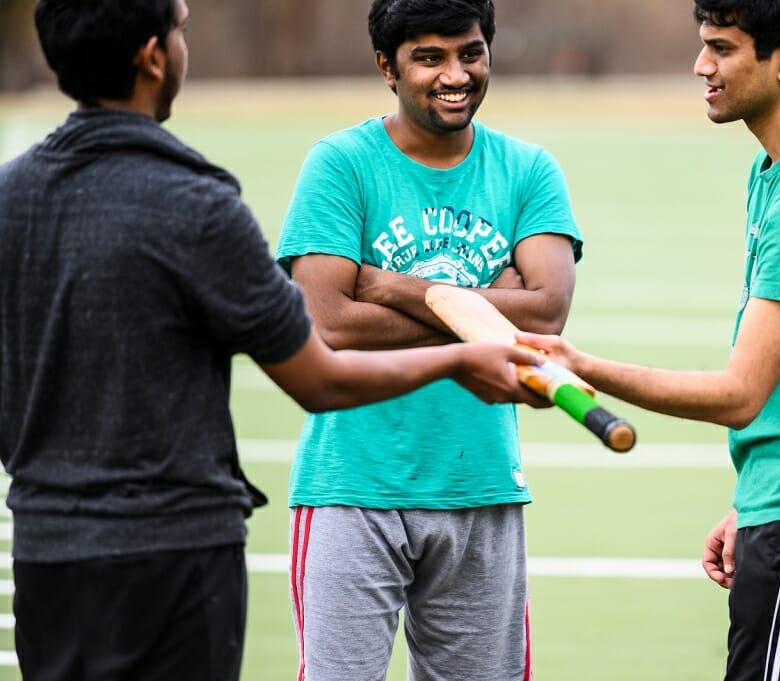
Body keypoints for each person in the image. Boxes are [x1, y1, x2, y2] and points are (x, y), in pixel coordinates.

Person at [0, 2, 548, 680]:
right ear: (153, 57)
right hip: (182, 548)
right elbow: (319, 367)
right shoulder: (197, 203)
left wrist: (385, 288)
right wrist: (465, 347)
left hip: (47, 544)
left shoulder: (9, 193)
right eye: (182, 30)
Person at [518, 1, 780, 679]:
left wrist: (580, 364)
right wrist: (754, 495)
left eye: (723, 48)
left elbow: (738, 393)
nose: (702, 65)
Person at [274, 0, 582, 678]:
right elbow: (327, 321)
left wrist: (388, 287)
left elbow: (547, 312)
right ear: (387, 66)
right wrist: (490, 308)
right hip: (351, 484)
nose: (456, 74)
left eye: (470, 52)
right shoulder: (341, 164)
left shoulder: (527, 170)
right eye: (429, 57)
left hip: (482, 486)